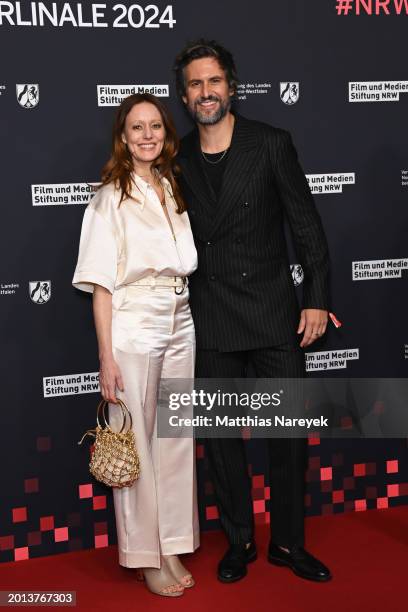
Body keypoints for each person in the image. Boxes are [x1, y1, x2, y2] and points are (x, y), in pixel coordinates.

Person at [173, 40, 332, 583]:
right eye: (194, 84)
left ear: (231, 86)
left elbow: (307, 227)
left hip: (271, 315)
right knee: (221, 440)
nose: (205, 92)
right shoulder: (177, 158)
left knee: (286, 437)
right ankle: (238, 540)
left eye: (213, 81)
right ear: (185, 95)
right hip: (212, 317)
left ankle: (288, 543)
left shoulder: (270, 143)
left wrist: (316, 297)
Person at [72, 93, 199, 597]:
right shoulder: (109, 198)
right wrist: (105, 357)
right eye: (136, 128)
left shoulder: (172, 187)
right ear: (123, 138)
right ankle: (145, 555)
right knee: (139, 446)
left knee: (175, 440)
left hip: (182, 320)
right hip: (133, 325)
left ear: (166, 135)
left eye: (156, 127)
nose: (147, 135)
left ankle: (170, 542)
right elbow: (101, 286)